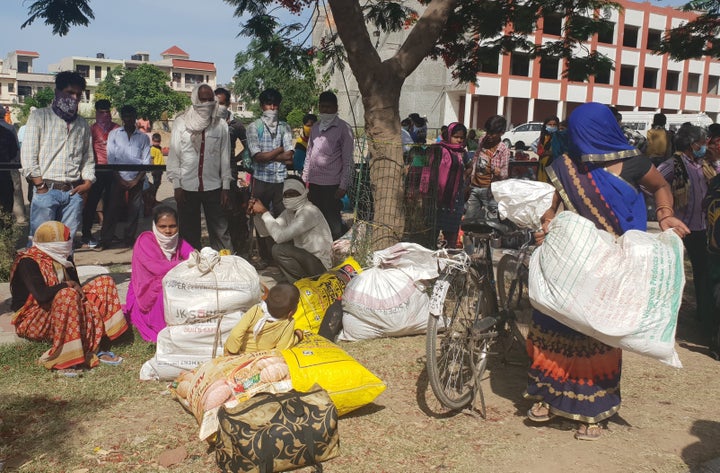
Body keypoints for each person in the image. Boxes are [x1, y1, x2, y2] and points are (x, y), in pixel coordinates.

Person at [526, 102, 689, 440]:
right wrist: (547, 223)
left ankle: (591, 412)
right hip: (570, 261)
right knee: (552, 322)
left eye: (578, 130)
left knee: (597, 332)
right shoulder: (566, 166)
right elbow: (554, 207)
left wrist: (664, 213)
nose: (573, 135)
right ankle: (544, 396)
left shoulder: (634, 163)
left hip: (608, 265)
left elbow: (661, 187)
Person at [10, 221, 129, 372]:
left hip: (65, 309)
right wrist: (66, 286)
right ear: (56, 242)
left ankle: (99, 344)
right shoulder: (28, 262)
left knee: (104, 282)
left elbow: (78, 288)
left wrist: (75, 292)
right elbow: (41, 295)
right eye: (66, 239)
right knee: (67, 294)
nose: (69, 242)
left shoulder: (63, 258)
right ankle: (66, 358)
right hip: (33, 319)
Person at [21, 71, 94, 245]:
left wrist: (88, 182)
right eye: (69, 93)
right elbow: (28, 156)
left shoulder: (82, 124)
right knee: (41, 246)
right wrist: (40, 186)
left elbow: (87, 158)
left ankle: (62, 273)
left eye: (78, 94)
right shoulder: (40, 116)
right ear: (57, 92)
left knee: (66, 246)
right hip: (46, 190)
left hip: (73, 193)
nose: (74, 98)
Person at [658, 125, 713, 337]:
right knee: (673, 272)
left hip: (699, 228)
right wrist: (665, 205)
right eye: (702, 142)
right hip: (677, 227)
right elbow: (653, 184)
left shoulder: (704, 165)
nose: (704, 146)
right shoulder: (673, 164)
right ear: (693, 144)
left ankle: (702, 313)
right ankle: (669, 315)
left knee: (701, 272)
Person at [167, 83, 233, 252]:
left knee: (220, 233)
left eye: (210, 99)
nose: (206, 103)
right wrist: (177, 185)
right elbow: (175, 156)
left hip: (214, 187)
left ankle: (226, 270)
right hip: (187, 187)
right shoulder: (181, 122)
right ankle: (192, 271)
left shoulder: (221, 125)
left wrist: (226, 187)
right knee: (189, 234)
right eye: (202, 100)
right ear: (195, 99)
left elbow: (225, 157)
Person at [125, 206, 195, 342]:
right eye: (162, 226)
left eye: (172, 226)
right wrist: (187, 264)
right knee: (168, 291)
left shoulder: (179, 242)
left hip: (170, 287)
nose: (168, 231)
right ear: (155, 226)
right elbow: (157, 268)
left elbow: (193, 256)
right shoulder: (145, 240)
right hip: (146, 294)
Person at [249, 177, 332, 283]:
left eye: (293, 194)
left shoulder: (309, 212)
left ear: (303, 193)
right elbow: (269, 231)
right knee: (278, 248)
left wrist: (265, 211)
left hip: (320, 265)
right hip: (307, 260)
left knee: (279, 249)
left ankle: (302, 283)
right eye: (286, 195)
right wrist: (257, 214)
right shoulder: (289, 212)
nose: (289, 198)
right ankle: (301, 282)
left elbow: (279, 237)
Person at [246, 88, 294, 267]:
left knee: (283, 217)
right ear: (261, 106)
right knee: (260, 218)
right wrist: (279, 150)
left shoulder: (284, 127)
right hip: (261, 180)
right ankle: (266, 257)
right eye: (268, 104)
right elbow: (257, 156)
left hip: (280, 180)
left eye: (275, 105)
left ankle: (280, 254)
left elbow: (290, 156)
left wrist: (270, 155)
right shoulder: (254, 127)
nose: (272, 108)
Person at [302, 91, 354, 241]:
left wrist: (343, 186)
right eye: (322, 107)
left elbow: (348, 160)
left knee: (333, 224)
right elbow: (309, 155)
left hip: (332, 185)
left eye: (329, 107)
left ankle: (335, 252)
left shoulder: (344, 129)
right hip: (314, 184)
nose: (325, 111)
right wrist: (304, 180)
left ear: (336, 108)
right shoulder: (315, 128)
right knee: (315, 220)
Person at [99, 105, 151, 249]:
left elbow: (146, 162)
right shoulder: (114, 134)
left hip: (137, 179)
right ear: (122, 118)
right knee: (112, 210)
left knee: (134, 211)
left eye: (131, 116)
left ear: (135, 117)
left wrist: (136, 180)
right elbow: (111, 160)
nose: (128, 119)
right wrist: (120, 179)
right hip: (117, 178)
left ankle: (129, 239)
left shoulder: (143, 138)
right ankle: (106, 239)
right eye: (126, 116)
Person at [215, 87, 250, 255]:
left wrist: (235, 159)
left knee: (230, 209)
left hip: (229, 172)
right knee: (215, 211)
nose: (218, 106)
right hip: (211, 173)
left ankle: (236, 248)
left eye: (221, 103)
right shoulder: (208, 122)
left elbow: (248, 146)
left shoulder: (236, 125)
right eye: (215, 103)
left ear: (228, 104)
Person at [224, 283, 303, 355]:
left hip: (240, 353)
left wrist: (232, 351)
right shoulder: (288, 322)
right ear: (291, 313)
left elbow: (236, 333)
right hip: (259, 357)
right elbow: (283, 347)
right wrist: (297, 337)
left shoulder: (256, 310)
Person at [82, 99, 120, 248]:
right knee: (91, 203)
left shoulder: (116, 129)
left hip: (113, 171)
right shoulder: (92, 129)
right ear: (97, 112)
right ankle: (86, 233)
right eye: (101, 111)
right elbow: (87, 150)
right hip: (97, 170)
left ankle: (108, 233)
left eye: (107, 111)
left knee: (111, 204)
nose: (105, 114)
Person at [464, 115, 510, 223]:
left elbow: (505, 174)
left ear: (501, 133)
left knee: (491, 222)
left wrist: (498, 172)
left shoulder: (504, 150)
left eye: (492, 133)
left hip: (490, 191)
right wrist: (469, 177)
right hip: (475, 187)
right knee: (469, 220)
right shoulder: (482, 141)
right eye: (487, 132)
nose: (489, 135)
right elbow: (476, 158)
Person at [429, 122, 467, 249]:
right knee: (433, 230)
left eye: (462, 137)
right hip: (440, 197)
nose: (459, 140)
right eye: (456, 136)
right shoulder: (440, 150)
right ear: (449, 135)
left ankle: (448, 258)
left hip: (456, 200)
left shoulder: (462, 153)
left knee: (452, 232)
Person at [0, 114, 18, 216]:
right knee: (6, 210)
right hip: (4, 175)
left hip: (4, 175)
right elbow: (14, 153)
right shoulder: (8, 131)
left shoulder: (7, 132)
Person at [535, 116, 560, 182]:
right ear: (545, 125)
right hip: (543, 164)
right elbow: (539, 151)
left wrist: (550, 152)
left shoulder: (559, 137)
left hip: (554, 165)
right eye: (550, 124)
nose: (552, 126)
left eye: (554, 125)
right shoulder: (544, 137)